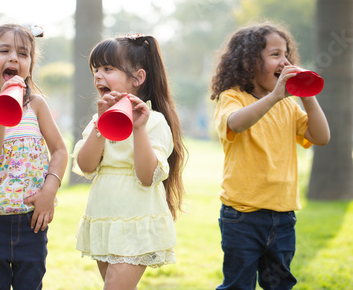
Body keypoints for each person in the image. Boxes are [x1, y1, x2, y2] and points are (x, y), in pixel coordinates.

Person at [210, 21, 330, 290]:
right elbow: (236, 124)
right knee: (238, 285)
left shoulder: (288, 106)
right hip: (242, 216)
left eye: (286, 54)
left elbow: (321, 137)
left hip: (283, 216)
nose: (285, 61)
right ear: (249, 62)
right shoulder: (233, 97)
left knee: (280, 285)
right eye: (275, 54)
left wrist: (307, 95)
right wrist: (276, 96)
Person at [71, 34, 187, 289]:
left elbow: (147, 176)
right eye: (96, 69)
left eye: (108, 69)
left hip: (137, 220)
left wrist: (139, 129)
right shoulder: (98, 119)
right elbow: (86, 165)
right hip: (105, 217)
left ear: (137, 78)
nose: (98, 76)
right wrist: (100, 125)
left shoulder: (154, 122)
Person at [0, 20, 68, 290]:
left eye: (23, 54)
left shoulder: (36, 106)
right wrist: (5, 105)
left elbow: (59, 150)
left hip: (31, 220)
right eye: (5, 51)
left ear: (30, 66)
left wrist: (49, 192)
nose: (14, 58)